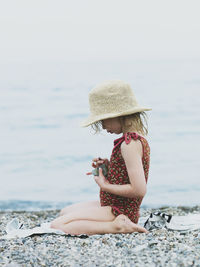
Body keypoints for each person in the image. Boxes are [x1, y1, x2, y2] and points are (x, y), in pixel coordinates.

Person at [50, 80, 151, 235]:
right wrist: (110, 168)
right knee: (64, 212)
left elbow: (139, 190)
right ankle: (116, 222)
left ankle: (117, 226)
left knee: (57, 226)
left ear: (119, 115)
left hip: (120, 210)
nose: (103, 126)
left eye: (103, 119)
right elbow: (127, 176)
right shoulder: (132, 141)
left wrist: (105, 186)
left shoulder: (129, 145)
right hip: (113, 204)